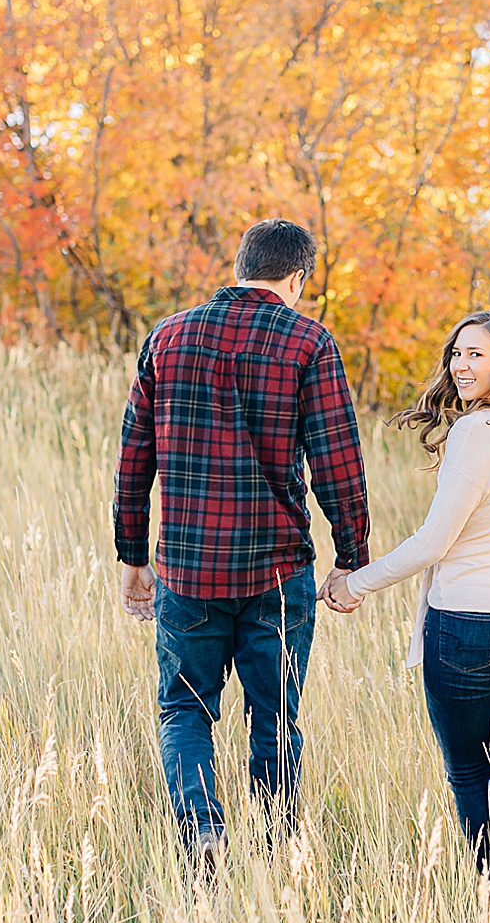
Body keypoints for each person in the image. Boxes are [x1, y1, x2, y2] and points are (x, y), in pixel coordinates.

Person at [114, 218, 369, 875]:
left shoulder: (167, 336)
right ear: (298, 279)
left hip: (187, 568)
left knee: (184, 710)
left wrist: (132, 556)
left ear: (238, 267)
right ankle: (280, 850)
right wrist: (352, 556)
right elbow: (338, 461)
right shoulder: (308, 340)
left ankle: (202, 830)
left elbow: (133, 456)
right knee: (276, 718)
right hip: (276, 569)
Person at [323, 310, 490, 908]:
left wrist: (357, 583)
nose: (461, 366)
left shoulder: (475, 432)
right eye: (457, 354)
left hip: (467, 623)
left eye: (477, 355)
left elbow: (434, 542)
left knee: (469, 771)